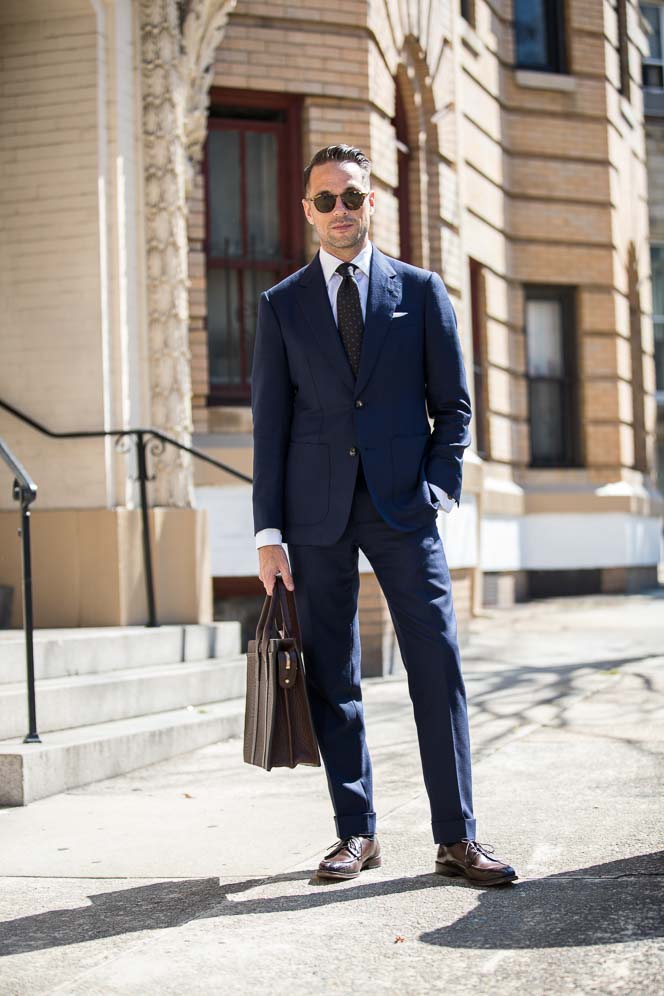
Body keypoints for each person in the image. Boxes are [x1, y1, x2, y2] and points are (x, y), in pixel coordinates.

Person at [250, 144, 516, 887]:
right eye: (326, 200)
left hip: (405, 510)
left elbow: (453, 409)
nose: (342, 211)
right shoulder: (281, 306)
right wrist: (268, 533)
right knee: (335, 673)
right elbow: (269, 427)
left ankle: (457, 838)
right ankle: (355, 832)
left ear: (374, 203)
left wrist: (438, 489)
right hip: (314, 517)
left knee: (437, 664)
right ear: (308, 210)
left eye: (354, 198)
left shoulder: (423, 291)